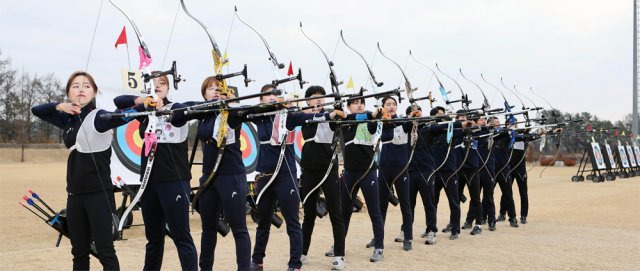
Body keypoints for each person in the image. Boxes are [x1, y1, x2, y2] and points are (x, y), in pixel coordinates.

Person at [31, 71, 143, 270]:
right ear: (68, 93)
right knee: (79, 252)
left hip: (98, 195)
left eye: (86, 86)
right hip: (74, 196)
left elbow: (123, 116)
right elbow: (36, 110)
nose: (80, 89)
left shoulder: (99, 117)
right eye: (75, 86)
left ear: (94, 92)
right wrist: (59, 106)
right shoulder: (67, 120)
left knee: (105, 251)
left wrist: (145, 104)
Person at [250, 84, 342, 271]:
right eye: (268, 95)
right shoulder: (259, 117)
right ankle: (257, 260)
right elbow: (243, 113)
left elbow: (308, 117)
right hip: (266, 175)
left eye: (276, 94)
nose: (273, 97)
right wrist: (262, 109)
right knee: (263, 222)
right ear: (261, 100)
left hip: (286, 175)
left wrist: (329, 115)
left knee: (293, 222)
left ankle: (295, 264)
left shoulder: (288, 116)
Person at [113, 72, 198, 270]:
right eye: (153, 83)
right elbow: (119, 101)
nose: (158, 86)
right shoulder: (144, 111)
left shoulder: (175, 109)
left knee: (181, 236)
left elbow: (191, 107)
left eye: (163, 83)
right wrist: (144, 100)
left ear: (169, 88)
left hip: (174, 182)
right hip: (149, 183)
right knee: (153, 238)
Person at [172, 76, 252, 270]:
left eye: (219, 88)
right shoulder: (204, 113)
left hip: (231, 174)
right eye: (210, 89)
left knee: (239, 228)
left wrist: (230, 102)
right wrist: (203, 106)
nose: (215, 91)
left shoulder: (232, 111)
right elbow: (177, 115)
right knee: (208, 229)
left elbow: (243, 113)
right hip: (209, 177)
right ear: (204, 94)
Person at [294, 86, 347, 270]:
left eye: (322, 98)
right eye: (314, 98)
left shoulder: (331, 114)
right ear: (307, 101)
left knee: (336, 214)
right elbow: (310, 126)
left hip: (328, 170)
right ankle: (302, 252)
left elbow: (335, 119)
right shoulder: (304, 117)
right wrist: (323, 114)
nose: (318, 100)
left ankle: (340, 256)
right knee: (309, 214)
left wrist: (338, 108)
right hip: (309, 170)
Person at [340, 98, 386, 262]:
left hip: (368, 172)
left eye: (362, 103)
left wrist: (375, 115)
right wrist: (369, 114)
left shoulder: (369, 121)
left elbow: (372, 122)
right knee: (344, 212)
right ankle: (339, 246)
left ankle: (379, 247)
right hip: (349, 173)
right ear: (348, 107)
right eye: (355, 103)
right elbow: (348, 118)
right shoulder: (345, 121)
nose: (359, 105)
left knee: (375, 211)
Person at [376, 97, 413, 251]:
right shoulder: (380, 123)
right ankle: (378, 237)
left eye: (393, 104)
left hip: (401, 167)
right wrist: (383, 119)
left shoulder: (403, 121)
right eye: (388, 104)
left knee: (405, 203)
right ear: (383, 107)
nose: (391, 107)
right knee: (381, 204)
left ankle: (408, 237)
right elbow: (382, 135)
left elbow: (409, 124)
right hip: (384, 166)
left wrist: (412, 117)